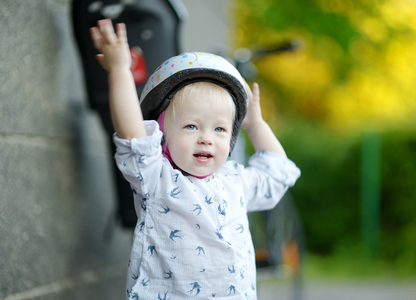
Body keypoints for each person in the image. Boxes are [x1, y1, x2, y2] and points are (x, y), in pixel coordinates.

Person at [90, 19, 300, 300]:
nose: (206, 138)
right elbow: (132, 134)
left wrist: (256, 124)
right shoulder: (157, 178)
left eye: (220, 129)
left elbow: (276, 172)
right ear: (162, 133)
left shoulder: (234, 181)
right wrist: (119, 71)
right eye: (191, 126)